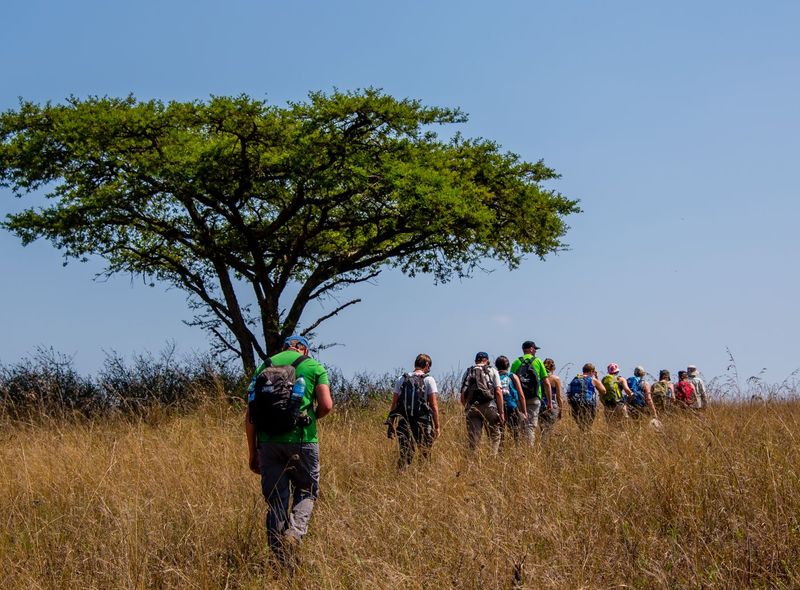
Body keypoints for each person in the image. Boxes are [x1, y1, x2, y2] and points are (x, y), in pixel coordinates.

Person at [245, 335, 333, 570]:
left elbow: (250, 415)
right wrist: (312, 417)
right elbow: (326, 405)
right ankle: (294, 533)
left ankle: (279, 565)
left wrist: (253, 452)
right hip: (303, 440)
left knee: (276, 502)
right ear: (304, 349)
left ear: (284, 347)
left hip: (268, 444)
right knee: (307, 491)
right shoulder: (313, 366)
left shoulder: (264, 366)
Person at [387, 353, 441, 468]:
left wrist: (391, 423)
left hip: (404, 422)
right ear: (426, 364)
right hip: (422, 422)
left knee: (405, 456)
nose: (429, 369)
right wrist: (437, 426)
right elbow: (433, 405)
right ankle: (422, 476)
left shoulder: (401, 379)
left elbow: (394, 403)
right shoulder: (429, 380)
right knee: (424, 455)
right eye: (429, 367)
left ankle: (401, 476)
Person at [460, 352, 505, 455]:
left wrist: (467, 407)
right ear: (487, 360)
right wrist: (501, 412)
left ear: (476, 361)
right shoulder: (492, 370)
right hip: (489, 406)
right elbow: (498, 392)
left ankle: (472, 461)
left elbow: (462, 395)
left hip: (472, 407)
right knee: (494, 435)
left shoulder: (468, 371)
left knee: (474, 438)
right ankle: (493, 458)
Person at [510, 341, 551, 447]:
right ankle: (529, 449)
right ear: (531, 349)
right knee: (531, 426)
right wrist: (549, 402)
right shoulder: (538, 361)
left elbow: (511, 381)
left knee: (520, 424)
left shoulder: (516, 362)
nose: (535, 351)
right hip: (534, 397)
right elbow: (546, 383)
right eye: (535, 349)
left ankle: (519, 448)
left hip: (519, 398)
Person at [565, 363, 606, 431]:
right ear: (591, 371)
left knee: (581, 426)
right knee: (588, 426)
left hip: (575, 405)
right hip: (588, 405)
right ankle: (586, 435)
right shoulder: (592, 379)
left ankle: (583, 434)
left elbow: (568, 392)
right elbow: (604, 391)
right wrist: (596, 378)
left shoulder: (575, 379)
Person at [496, 355, 527, 443]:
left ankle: (501, 449)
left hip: (498, 407)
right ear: (508, 365)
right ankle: (516, 448)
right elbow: (521, 395)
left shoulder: (494, 376)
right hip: (512, 406)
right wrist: (524, 411)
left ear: (496, 366)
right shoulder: (512, 376)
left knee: (500, 434)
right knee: (515, 432)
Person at [540, 358, 564, 444]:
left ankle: (542, 446)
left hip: (540, 406)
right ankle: (545, 447)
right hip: (552, 406)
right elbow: (559, 397)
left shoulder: (539, 377)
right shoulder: (555, 379)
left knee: (543, 430)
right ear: (553, 368)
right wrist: (560, 411)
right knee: (549, 429)